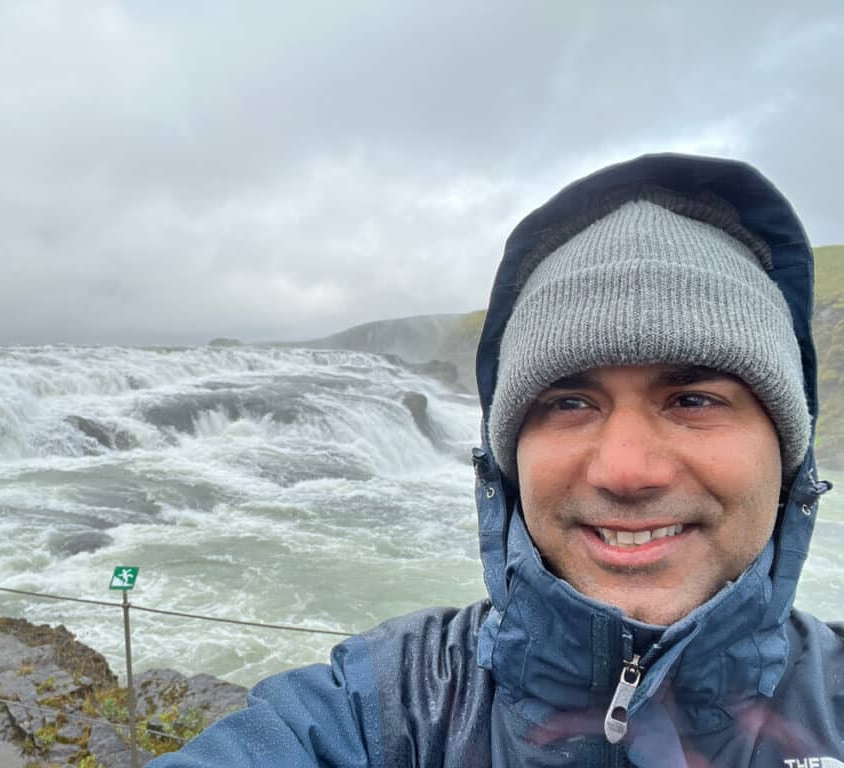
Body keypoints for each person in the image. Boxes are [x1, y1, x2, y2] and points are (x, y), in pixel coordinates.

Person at [146, 153, 840, 767]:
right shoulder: (383, 711)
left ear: (787, 450)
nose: (627, 470)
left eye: (692, 399)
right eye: (569, 403)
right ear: (506, 463)